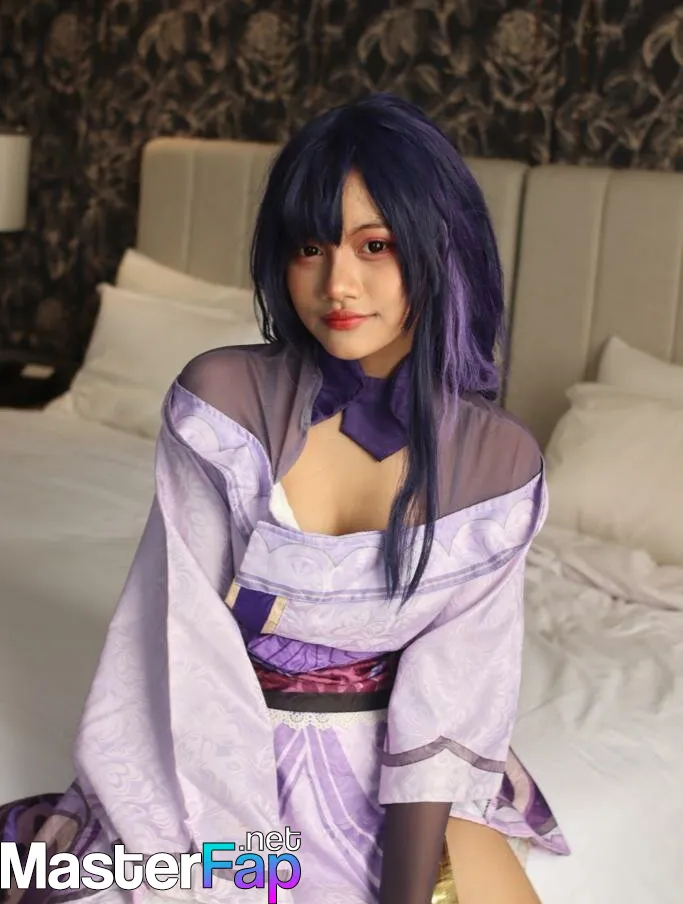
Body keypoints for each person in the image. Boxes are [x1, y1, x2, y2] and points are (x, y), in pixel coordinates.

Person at [0, 94, 568, 904]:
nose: (338, 283)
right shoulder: (222, 404)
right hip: (214, 760)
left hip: (404, 779)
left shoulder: (499, 464)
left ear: (440, 249)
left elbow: (449, 700)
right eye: (309, 247)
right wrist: (242, 872)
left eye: (375, 245)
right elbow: (185, 657)